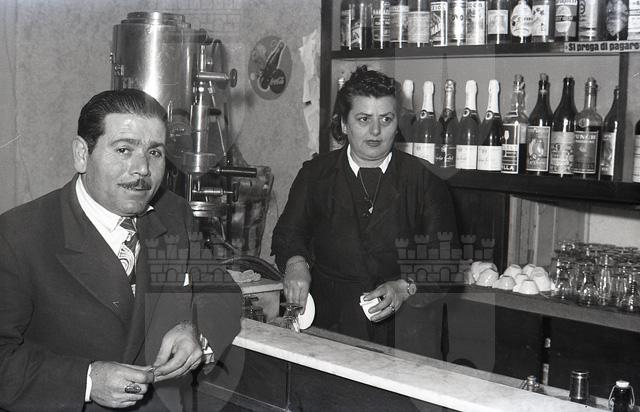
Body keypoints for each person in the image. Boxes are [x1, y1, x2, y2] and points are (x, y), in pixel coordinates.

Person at [0, 89, 241, 411]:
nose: (142, 169)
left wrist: (196, 332)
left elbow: (220, 292)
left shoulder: (173, 214)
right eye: (124, 149)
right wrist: (86, 381)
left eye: (154, 152)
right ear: (81, 154)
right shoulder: (18, 236)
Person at [272, 66, 458, 346]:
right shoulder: (315, 175)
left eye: (386, 119)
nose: (376, 131)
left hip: (405, 332)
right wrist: (296, 264)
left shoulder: (425, 180)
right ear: (344, 124)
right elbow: (288, 234)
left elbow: (445, 261)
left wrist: (404, 287)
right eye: (363, 119)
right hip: (330, 327)